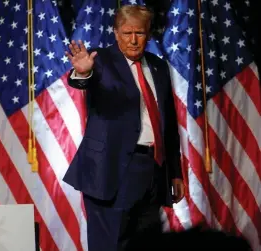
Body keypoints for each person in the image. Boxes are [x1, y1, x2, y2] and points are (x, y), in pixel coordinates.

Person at [63, 5, 185, 251]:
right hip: (111, 172)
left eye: (139, 33)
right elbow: (80, 81)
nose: (133, 40)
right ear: (116, 33)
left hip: (153, 172)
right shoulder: (99, 61)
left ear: (148, 34)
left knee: (147, 246)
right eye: (127, 32)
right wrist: (82, 73)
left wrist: (175, 172)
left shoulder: (158, 67)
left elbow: (168, 124)